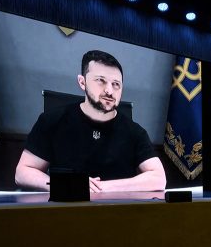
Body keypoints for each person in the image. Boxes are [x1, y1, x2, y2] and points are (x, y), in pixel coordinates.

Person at [15, 50, 167, 192]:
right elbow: (22, 172)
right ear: (82, 82)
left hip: (117, 212)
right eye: (101, 81)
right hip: (66, 210)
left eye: (116, 84)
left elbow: (159, 178)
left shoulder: (135, 132)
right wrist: (70, 186)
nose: (109, 90)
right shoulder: (53, 120)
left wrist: (100, 188)